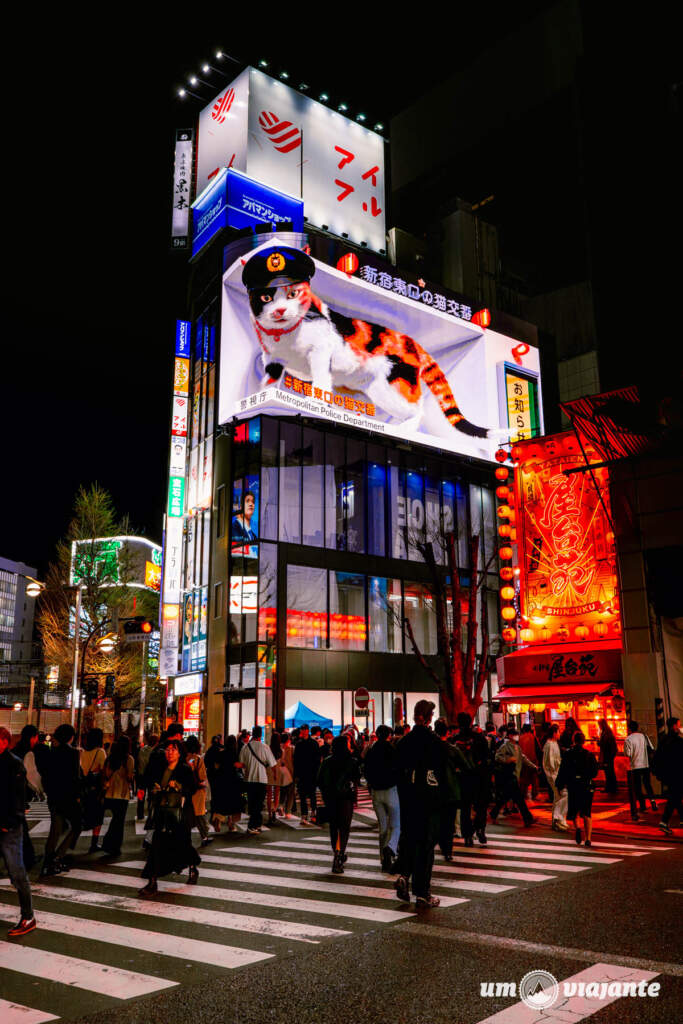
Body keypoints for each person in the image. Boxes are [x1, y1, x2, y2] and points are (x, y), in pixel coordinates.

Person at [393, 699, 446, 908]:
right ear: (430, 717)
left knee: (409, 839)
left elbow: (396, 771)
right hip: (429, 801)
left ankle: (404, 876)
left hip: (408, 799)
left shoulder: (404, 742)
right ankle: (422, 892)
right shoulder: (435, 743)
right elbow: (442, 773)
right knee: (425, 846)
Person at [138, 738, 200, 897]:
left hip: (179, 814)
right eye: (168, 749)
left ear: (180, 753)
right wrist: (155, 789)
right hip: (163, 813)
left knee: (183, 843)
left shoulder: (184, 769)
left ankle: (192, 866)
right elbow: (151, 782)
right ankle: (152, 882)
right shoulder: (161, 768)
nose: (169, 752)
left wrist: (178, 786)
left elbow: (192, 788)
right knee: (157, 845)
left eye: (173, 750)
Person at [0, 728, 36, 936]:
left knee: (16, 873)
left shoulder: (14, 764)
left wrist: (10, 822)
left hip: (8, 827)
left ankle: (28, 915)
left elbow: (18, 798)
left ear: (5, 742)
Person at [42, 723, 81, 877]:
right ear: (71, 737)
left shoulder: (51, 753)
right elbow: (74, 777)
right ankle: (57, 856)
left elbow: (47, 776)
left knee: (55, 830)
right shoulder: (73, 754)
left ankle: (48, 859)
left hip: (54, 796)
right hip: (68, 796)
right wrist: (77, 796)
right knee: (77, 826)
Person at [318, 733, 360, 873]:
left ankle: (336, 854)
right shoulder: (352, 761)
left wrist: (325, 793)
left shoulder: (327, 761)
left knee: (333, 827)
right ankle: (340, 853)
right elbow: (356, 780)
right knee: (344, 828)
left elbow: (319, 780)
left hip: (330, 798)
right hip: (345, 798)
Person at [363, 723, 401, 871]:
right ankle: (390, 848)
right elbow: (398, 768)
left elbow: (366, 769)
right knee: (396, 825)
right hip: (391, 789)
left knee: (383, 827)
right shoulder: (392, 749)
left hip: (376, 791)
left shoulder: (372, 750)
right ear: (389, 735)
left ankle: (383, 858)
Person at [454, 712, 492, 848]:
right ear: (471, 722)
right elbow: (488, 757)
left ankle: (468, 836)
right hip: (479, 777)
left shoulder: (456, 740)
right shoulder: (479, 738)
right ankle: (480, 828)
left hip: (463, 778)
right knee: (481, 805)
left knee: (465, 808)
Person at [556, 730, 598, 846]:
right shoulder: (589, 755)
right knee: (587, 812)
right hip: (586, 785)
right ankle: (588, 838)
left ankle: (578, 828)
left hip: (573, 785)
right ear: (583, 741)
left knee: (574, 810)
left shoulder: (568, 754)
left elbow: (563, 770)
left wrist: (559, 784)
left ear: (573, 741)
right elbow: (594, 772)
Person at [490, 727, 536, 827]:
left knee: (505, 797)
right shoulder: (505, 746)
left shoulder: (517, 747)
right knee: (519, 799)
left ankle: (494, 813)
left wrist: (534, 767)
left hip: (515, 775)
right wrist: (508, 759)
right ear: (510, 736)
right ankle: (528, 818)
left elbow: (523, 758)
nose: (517, 736)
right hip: (509, 776)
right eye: (515, 734)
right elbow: (497, 757)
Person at [239, 725, 277, 834]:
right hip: (261, 779)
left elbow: (241, 764)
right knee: (259, 803)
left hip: (249, 779)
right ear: (261, 734)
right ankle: (253, 826)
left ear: (252, 734)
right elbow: (273, 764)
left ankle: (256, 825)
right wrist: (275, 775)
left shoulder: (245, 747)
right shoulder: (265, 747)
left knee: (252, 803)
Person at [101, 736, 134, 857]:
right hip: (122, 794)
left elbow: (105, 773)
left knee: (116, 820)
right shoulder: (128, 759)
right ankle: (113, 846)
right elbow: (130, 777)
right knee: (119, 822)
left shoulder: (110, 758)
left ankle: (109, 844)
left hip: (109, 793)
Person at [433, 719, 461, 858]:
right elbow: (467, 766)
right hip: (450, 790)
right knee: (449, 822)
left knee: (438, 820)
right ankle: (448, 850)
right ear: (448, 733)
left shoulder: (430, 749)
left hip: (434, 790)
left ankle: (441, 844)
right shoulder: (452, 749)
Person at [653, 717, 683, 835]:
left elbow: (658, 757)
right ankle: (664, 822)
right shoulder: (678, 741)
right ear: (674, 726)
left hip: (667, 775)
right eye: (678, 725)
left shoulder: (663, 739)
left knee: (676, 796)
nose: (679, 727)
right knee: (674, 797)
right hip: (678, 774)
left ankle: (681, 819)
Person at [623, 720, 657, 822]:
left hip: (635, 766)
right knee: (647, 784)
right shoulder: (644, 737)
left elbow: (627, 754)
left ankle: (642, 805)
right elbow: (651, 748)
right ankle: (653, 801)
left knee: (637, 787)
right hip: (645, 763)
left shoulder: (628, 739)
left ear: (629, 728)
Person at [210, 735, 245, 833]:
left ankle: (218, 819)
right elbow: (237, 765)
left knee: (223, 801)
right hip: (233, 780)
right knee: (234, 802)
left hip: (221, 779)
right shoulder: (235, 753)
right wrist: (244, 765)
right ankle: (231, 823)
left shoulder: (221, 753)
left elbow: (216, 765)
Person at [79, 727, 106, 852]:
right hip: (96, 788)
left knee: (84, 813)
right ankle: (94, 843)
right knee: (98, 816)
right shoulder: (100, 752)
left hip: (84, 786)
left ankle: (72, 840)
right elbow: (103, 769)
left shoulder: (82, 752)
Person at [185, 735, 212, 846]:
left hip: (186, 790)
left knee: (188, 814)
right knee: (200, 814)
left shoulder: (184, 758)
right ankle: (204, 836)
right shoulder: (198, 759)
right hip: (197, 790)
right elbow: (202, 776)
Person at [293, 723, 322, 824]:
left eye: (305, 729)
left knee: (312, 794)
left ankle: (313, 812)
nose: (304, 731)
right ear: (301, 731)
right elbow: (295, 760)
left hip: (311, 772)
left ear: (308, 731)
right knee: (302, 795)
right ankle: (304, 814)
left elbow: (318, 759)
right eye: (302, 729)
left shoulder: (313, 743)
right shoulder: (299, 743)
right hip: (302, 773)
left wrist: (317, 772)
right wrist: (296, 775)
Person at [542, 723, 568, 830]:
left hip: (555, 773)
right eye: (558, 732)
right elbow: (550, 762)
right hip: (554, 774)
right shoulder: (549, 744)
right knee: (564, 794)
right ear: (554, 733)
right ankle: (558, 818)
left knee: (557, 797)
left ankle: (557, 820)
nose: (560, 734)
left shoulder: (553, 743)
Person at [136, 734, 159, 820]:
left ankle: (140, 813)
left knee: (141, 795)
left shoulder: (142, 750)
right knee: (151, 796)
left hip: (141, 776)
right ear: (156, 743)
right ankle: (150, 814)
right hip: (151, 776)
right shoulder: (155, 752)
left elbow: (138, 762)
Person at [519, 724, 541, 800]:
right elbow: (538, 750)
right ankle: (535, 794)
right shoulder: (533, 737)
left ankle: (523, 794)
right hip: (533, 761)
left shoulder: (520, 738)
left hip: (523, 762)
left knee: (524, 779)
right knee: (534, 779)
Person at [598, 719, 618, 794]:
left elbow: (604, 744)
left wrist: (598, 742)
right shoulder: (608, 732)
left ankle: (610, 787)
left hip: (607, 755)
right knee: (610, 771)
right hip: (609, 755)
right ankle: (612, 787)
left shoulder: (605, 733)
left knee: (608, 772)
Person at [266, 731, 283, 825]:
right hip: (278, 771)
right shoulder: (281, 750)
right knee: (277, 793)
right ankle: (274, 809)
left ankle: (269, 813)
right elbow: (283, 762)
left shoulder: (268, 749)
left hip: (269, 770)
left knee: (269, 794)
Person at [279, 732, 296, 817]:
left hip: (280, 772)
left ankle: (280, 805)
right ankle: (288, 812)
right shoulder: (292, 748)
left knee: (282, 790)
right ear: (289, 740)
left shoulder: (278, 748)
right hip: (290, 772)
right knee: (290, 793)